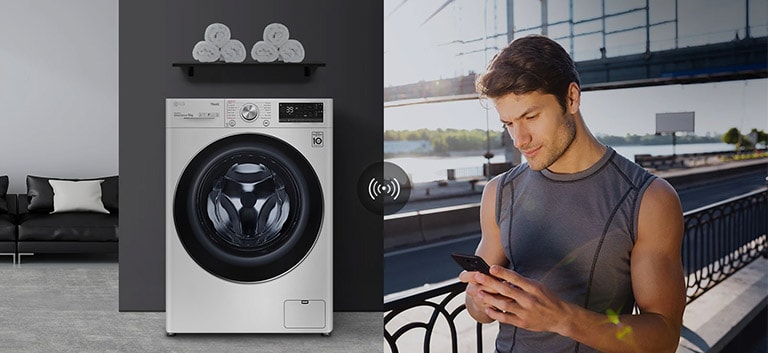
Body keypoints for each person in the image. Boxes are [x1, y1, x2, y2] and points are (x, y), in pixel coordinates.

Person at [458, 34, 685, 353]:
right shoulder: (499, 191)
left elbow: (664, 337)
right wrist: (483, 300)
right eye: (508, 123)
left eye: (530, 117)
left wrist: (561, 318)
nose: (519, 139)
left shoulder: (649, 199)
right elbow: (475, 307)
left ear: (572, 98)